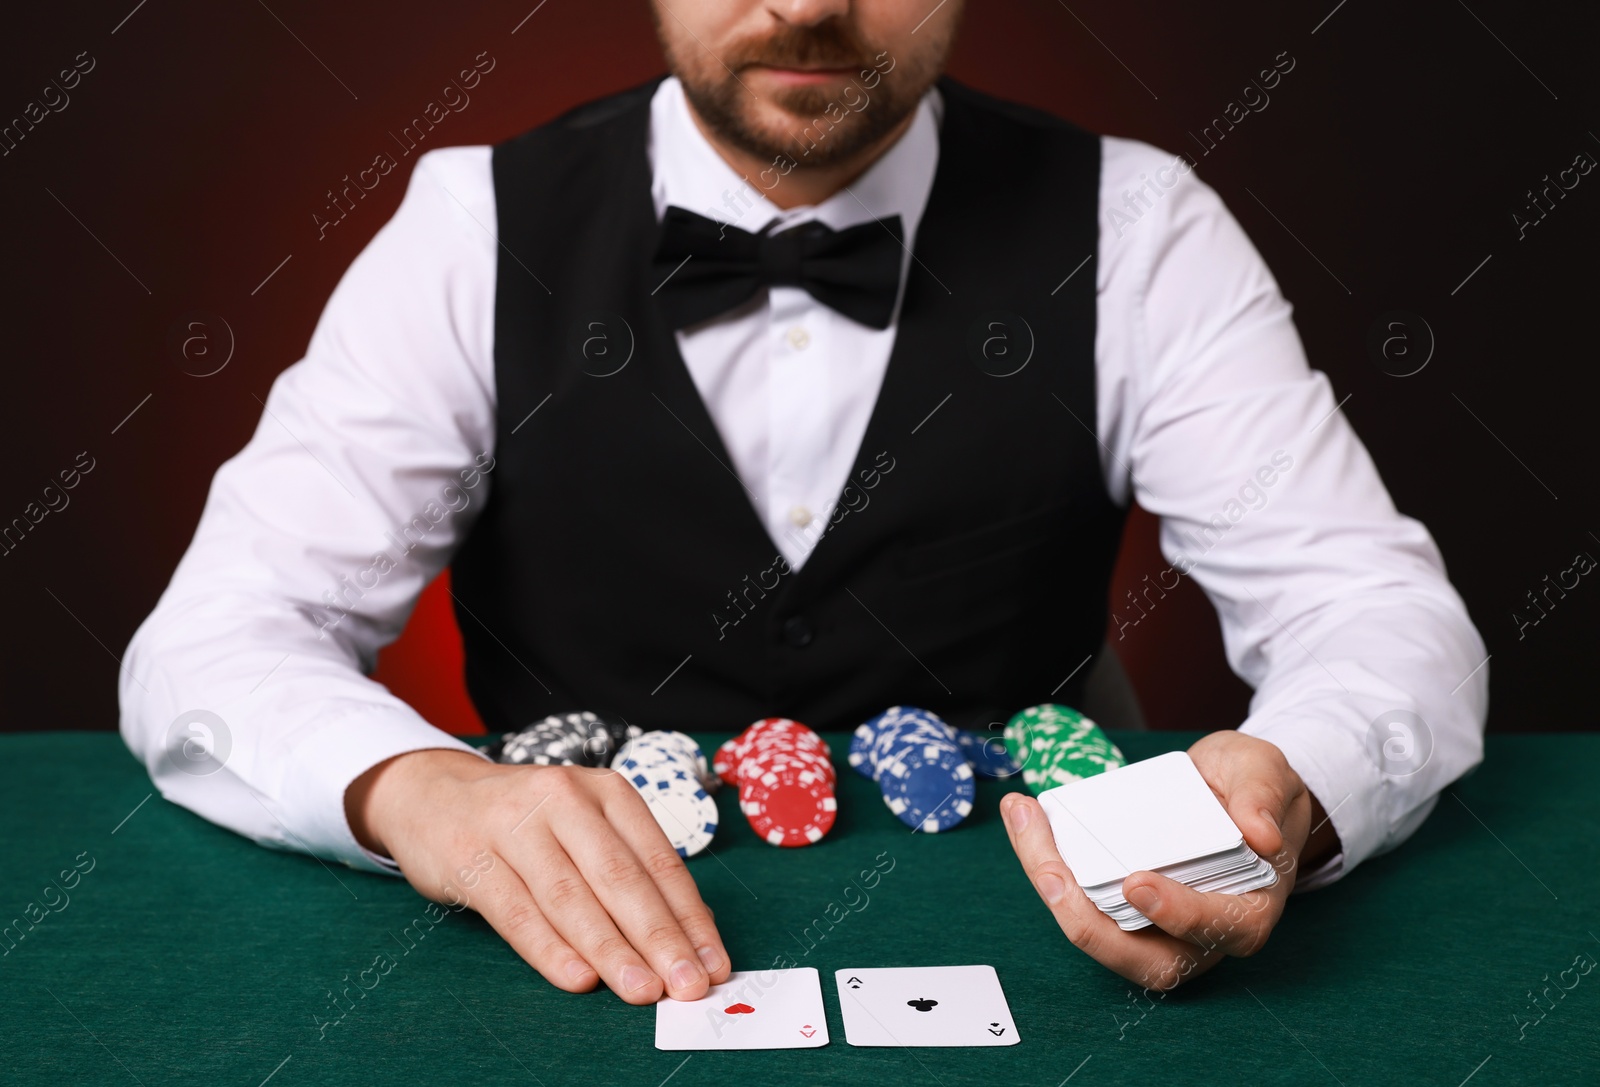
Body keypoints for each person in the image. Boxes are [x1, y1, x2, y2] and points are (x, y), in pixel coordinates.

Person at [120, 0, 1487, 1005]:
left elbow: (1370, 612)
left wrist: (1288, 784)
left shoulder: (1138, 225)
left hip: (1046, 945)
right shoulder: (470, 223)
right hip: (573, 977)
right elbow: (215, 641)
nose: (808, 6)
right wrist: (412, 789)